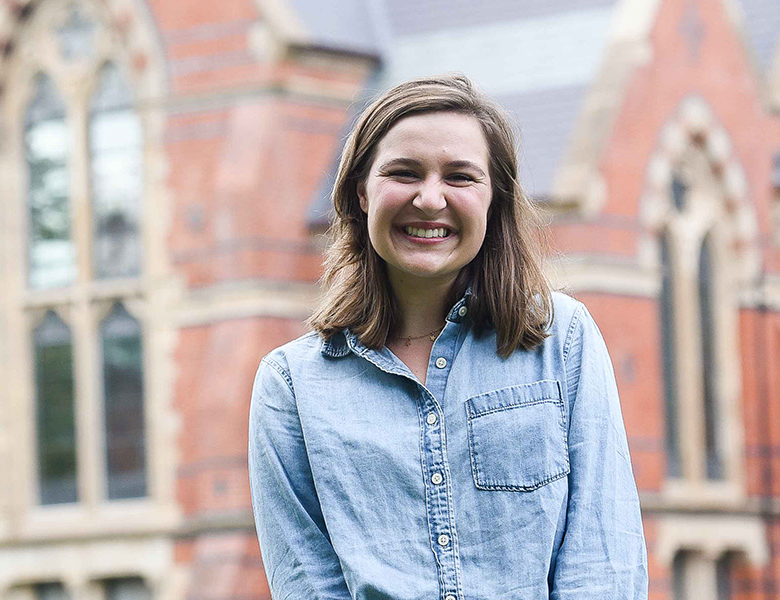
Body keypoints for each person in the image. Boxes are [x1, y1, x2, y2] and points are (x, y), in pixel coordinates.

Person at [247, 74, 647, 599]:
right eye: (404, 173)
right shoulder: (291, 387)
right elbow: (307, 583)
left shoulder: (561, 340)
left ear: (493, 200)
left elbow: (603, 563)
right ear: (361, 193)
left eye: (460, 176)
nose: (430, 199)